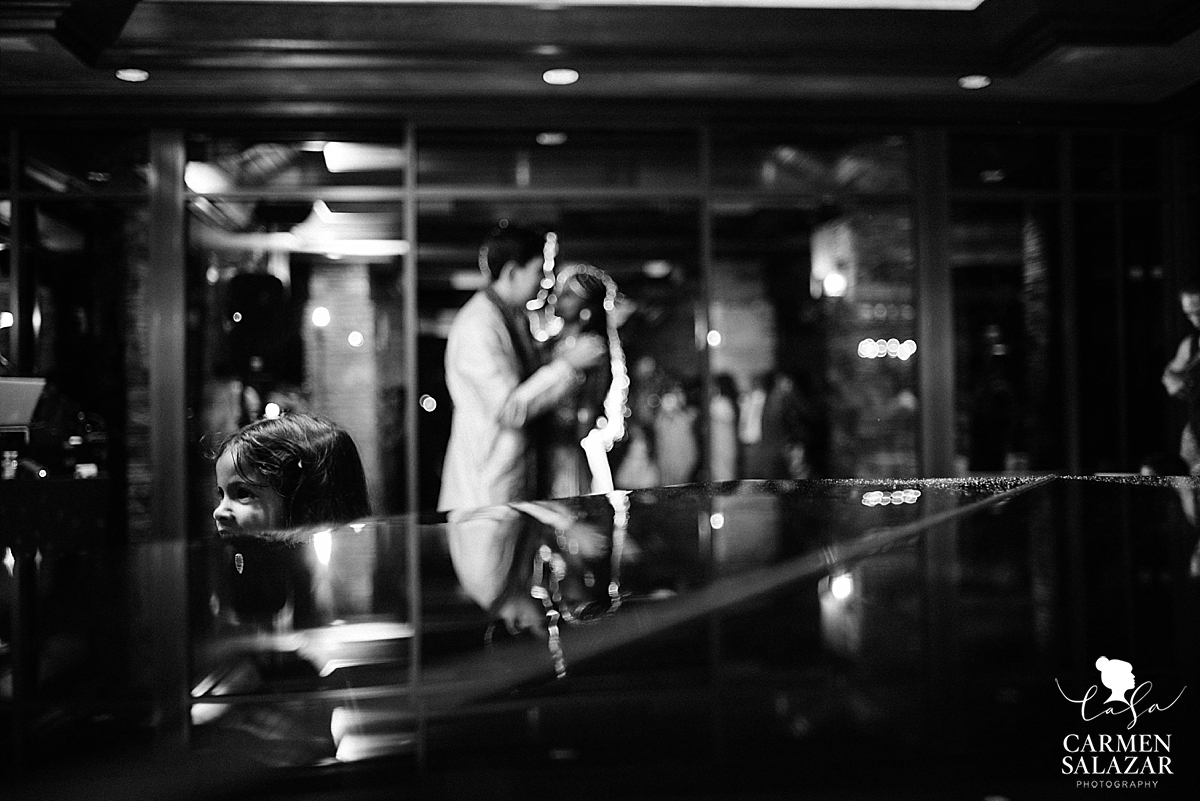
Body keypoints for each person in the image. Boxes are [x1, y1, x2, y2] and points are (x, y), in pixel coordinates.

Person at [438, 223, 606, 511]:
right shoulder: (478, 326)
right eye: (539, 271)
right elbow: (508, 409)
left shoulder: (512, 317)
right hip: (484, 489)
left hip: (512, 481)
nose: (546, 282)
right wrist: (566, 365)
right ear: (513, 272)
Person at [211, 412, 371, 629]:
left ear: (303, 500)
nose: (219, 511)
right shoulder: (234, 568)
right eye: (221, 494)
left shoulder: (331, 586)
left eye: (243, 493)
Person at [544, 263, 628, 497]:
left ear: (587, 306)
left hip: (569, 447)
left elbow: (588, 407)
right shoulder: (550, 343)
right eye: (560, 292)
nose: (557, 299)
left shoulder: (592, 347)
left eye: (569, 295)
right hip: (543, 444)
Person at [1162, 281, 1200, 473]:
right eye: (1189, 314)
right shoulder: (1192, 344)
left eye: (1199, 313)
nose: (1196, 321)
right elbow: (1170, 373)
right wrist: (1174, 382)